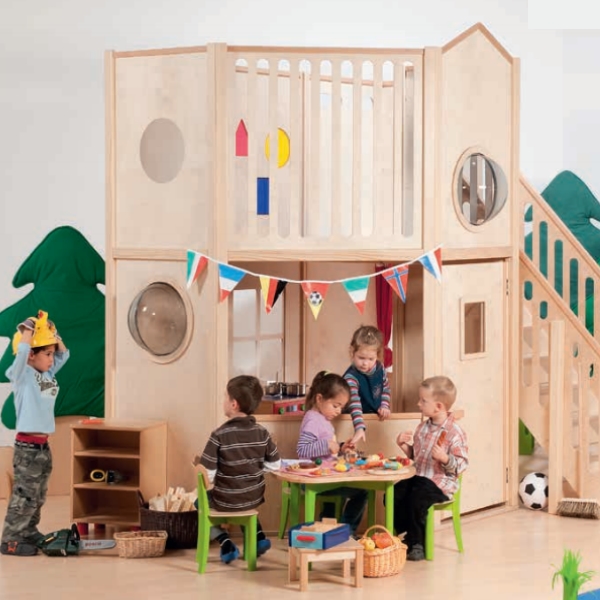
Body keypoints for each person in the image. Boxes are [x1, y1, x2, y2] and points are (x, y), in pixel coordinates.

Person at [1, 311, 70, 556]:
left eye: (51, 354)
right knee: (25, 495)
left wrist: (52, 331)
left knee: (38, 495)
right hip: (27, 448)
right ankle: (11, 538)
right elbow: (20, 357)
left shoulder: (47, 375)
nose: (52, 359)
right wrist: (28, 332)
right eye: (47, 354)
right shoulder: (23, 375)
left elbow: (64, 354)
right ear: (31, 354)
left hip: (43, 446)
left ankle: (28, 530)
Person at [197, 375, 281, 564]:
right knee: (244, 504)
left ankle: (225, 543)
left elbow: (207, 474)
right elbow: (276, 465)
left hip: (225, 499)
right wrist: (253, 470)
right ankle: (258, 537)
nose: (223, 401)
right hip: (252, 496)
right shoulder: (262, 432)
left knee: (197, 503)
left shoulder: (219, 434)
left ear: (233, 404)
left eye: (224, 397)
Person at [393, 376, 468, 561]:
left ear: (438, 406)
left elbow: (461, 465)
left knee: (417, 497)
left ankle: (418, 542)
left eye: (423, 401)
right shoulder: (422, 428)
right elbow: (417, 457)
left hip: (440, 483)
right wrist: (403, 446)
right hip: (419, 476)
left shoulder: (454, 432)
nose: (418, 404)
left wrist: (445, 458)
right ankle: (407, 533)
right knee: (394, 493)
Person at [296, 371, 367, 536]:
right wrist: (327, 445)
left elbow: (324, 449)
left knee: (336, 498)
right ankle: (346, 531)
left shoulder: (322, 419)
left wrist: (340, 447)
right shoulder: (313, 419)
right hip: (316, 479)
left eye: (341, 407)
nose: (338, 411)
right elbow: (302, 449)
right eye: (335, 406)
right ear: (319, 399)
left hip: (325, 476)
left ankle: (328, 531)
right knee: (362, 492)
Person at [343, 325, 392, 446]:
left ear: (377, 356)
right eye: (361, 358)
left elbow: (385, 389)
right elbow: (354, 403)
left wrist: (384, 405)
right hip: (352, 418)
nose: (365, 363)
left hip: (372, 416)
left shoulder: (380, 368)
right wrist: (359, 428)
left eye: (371, 359)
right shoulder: (351, 377)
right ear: (352, 352)